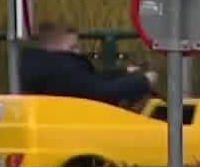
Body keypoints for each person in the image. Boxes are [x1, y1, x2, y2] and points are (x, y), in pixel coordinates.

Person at [19, 22, 157, 106]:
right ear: (52, 49)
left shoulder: (41, 68)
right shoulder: (64, 69)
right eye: (73, 47)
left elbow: (90, 81)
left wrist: (124, 72)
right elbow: (102, 93)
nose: (78, 52)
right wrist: (144, 81)